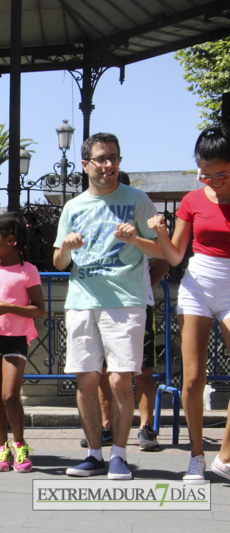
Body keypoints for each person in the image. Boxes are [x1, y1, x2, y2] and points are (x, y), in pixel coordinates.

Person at [55, 132, 162, 480]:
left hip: (125, 301)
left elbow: (164, 251)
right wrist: (67, 247)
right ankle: (93, 454)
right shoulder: (72, 207)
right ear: (85, 164)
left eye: (114, 158)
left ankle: (118, 454)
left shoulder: (138, 199)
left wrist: (136, 239)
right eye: (101, 159)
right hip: (82, 302)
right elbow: (58, 262)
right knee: (86, 381)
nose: (109, 165)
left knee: (119, 381)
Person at [148, 124, 230, 484]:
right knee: (194, 378)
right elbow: (176, 256)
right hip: (197, 285)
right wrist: (162, 235)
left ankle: (224, 456)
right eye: (205, 174)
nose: (212, 180)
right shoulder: (192, 201)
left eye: (220, 174)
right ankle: (197, 455)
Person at [0, 212, 44, 473]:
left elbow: (39, 310)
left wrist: (10, 308)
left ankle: (19, 444)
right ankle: (1, 449)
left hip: (16, 339)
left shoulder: (29, 271)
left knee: (10, 395)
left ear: (11, 240)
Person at [78, 257, 169, 452]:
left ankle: (146, 427)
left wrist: (141, 292)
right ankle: (107, 425)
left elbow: (162, 264)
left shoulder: (138, 229)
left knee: (142, 370)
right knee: (104, 370)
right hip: (102, 306)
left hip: (136, 307)